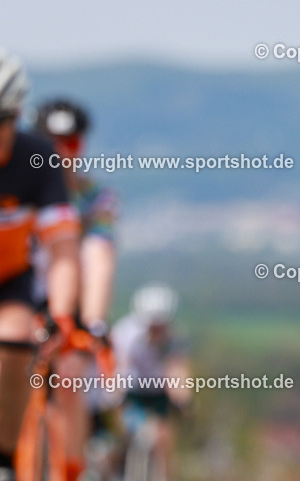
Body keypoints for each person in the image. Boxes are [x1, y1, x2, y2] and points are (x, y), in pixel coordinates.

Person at [0, 51, 81, 479]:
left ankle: (5, 458)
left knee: (14, 338)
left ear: (16, 117)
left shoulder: (38, 157)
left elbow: (64, 250)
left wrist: (61, 313)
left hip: (10, 278)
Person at [33, 98, 119, 480]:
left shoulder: (95, 196)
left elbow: (100, 256)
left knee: (70, 380)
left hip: (74, 305)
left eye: (71, 143)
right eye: (51, 143)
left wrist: (94, 323)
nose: (61, 152)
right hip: (22, 294)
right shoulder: (18, 184)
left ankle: (71, 469)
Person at [110, 284, 189, 478]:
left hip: (158, 391)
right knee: (124, 432)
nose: (157, 329)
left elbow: (177, 369)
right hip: (132, 388)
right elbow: (118, 366)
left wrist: (183, 400)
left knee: (164, 439)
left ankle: (165, 475)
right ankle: (117, 466)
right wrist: (116, 395)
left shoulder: (174, 338)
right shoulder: (125, 333)